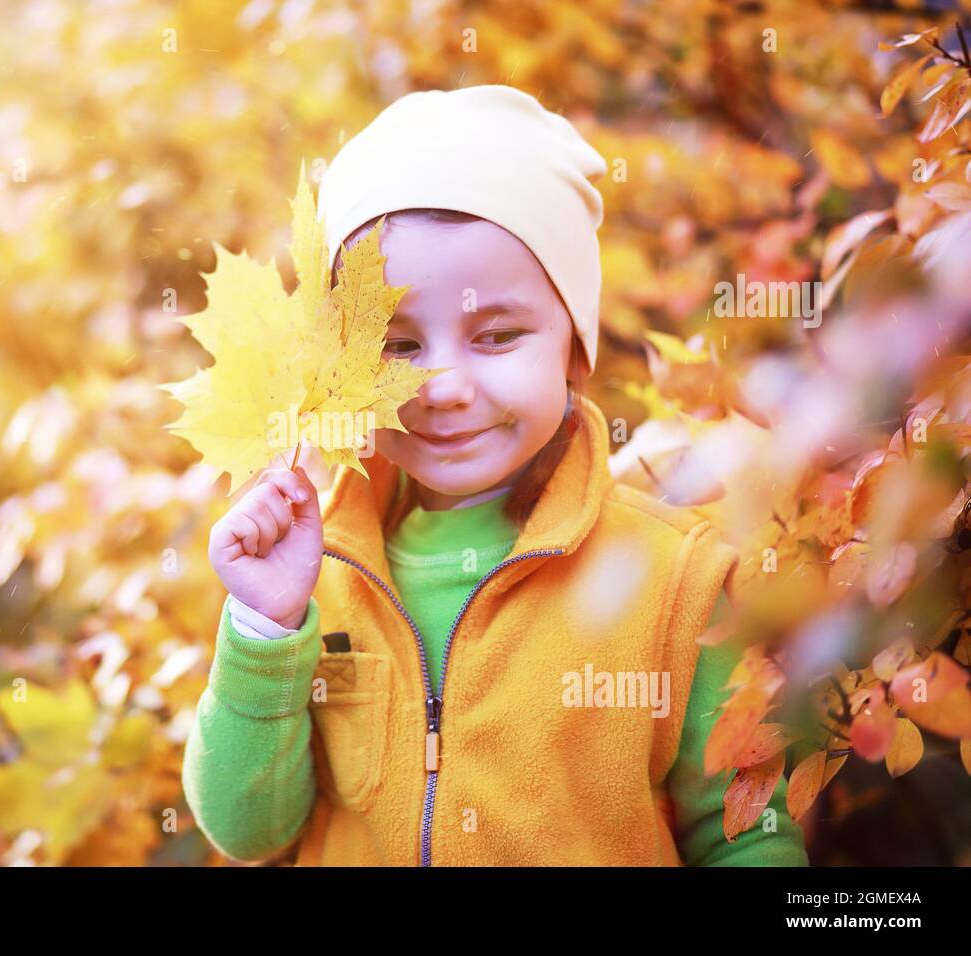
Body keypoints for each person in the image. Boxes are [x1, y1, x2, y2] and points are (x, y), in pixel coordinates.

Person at [182, 85, 808, 866]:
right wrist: (265, 631)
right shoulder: (316, 571)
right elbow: (248, 832)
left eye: (497, 334)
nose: (443, 385)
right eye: (398, 346)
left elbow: (742, 833)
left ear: (575, 349)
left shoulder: (674, 581)